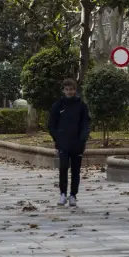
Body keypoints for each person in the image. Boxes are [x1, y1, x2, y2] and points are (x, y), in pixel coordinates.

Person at [48, 78, 91, 207]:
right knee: (63, 168)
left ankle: (73, 195)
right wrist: (57, 138)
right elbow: (51, 125)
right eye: (67, 89)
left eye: (71, 89)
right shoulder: (58, 105)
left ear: (75, 90)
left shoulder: (81, 105)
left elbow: (85, 123)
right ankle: (62, 194)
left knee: (76, 170)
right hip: (63, 143)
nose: (69, 92)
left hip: (77, 143)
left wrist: (83, 138)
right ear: (63, 90)